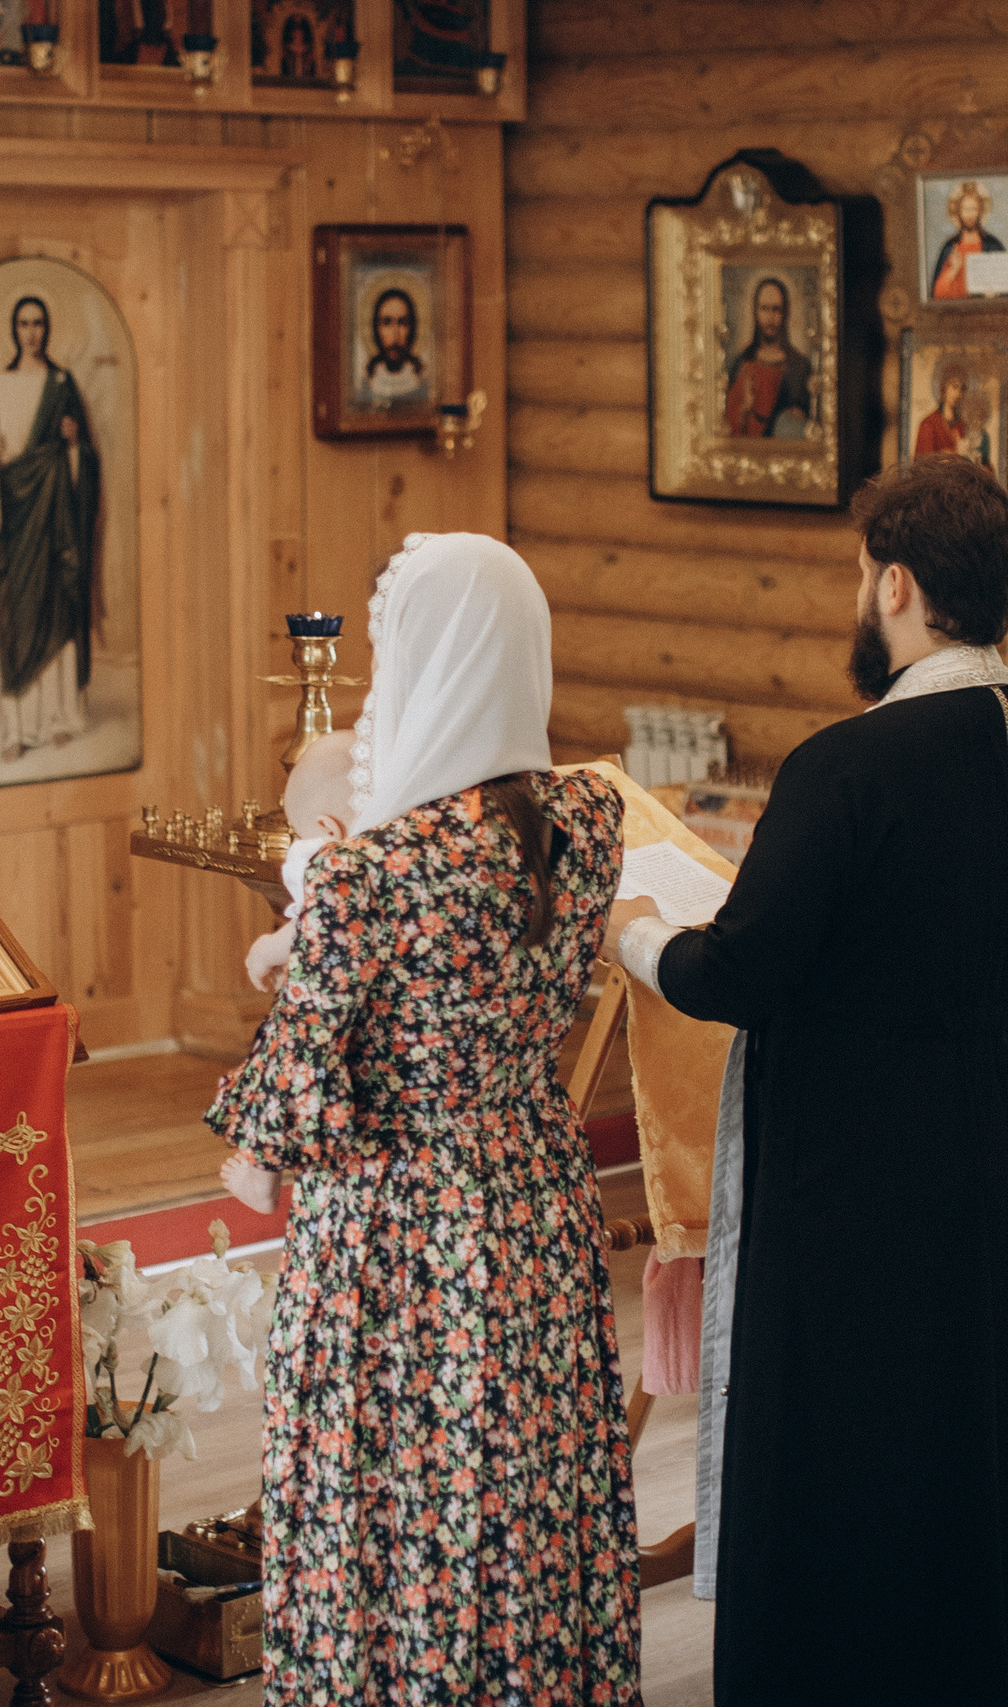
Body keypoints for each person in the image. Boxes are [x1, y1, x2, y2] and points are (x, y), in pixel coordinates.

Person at [604, 455, 1008, 1705]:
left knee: (863, 1440)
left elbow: (738, 973)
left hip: (866, 1159)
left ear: (894, 585)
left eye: (862, 575)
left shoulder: (844, 766)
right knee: (996, 1425)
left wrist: (633, 932)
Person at [208, 533, 641, 1705]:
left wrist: (305, 916)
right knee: (526, 1474)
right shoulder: (588, 819)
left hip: (397, 1226)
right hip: (535, 1189)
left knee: (394, 1482)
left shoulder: (368, 873)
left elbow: (289, 1101)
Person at [0, 295, 101, 761]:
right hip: (16, 524)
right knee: (15, 615)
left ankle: (59, 718)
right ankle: (17, 728)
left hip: (55, 521)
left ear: (48, 328)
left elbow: (88, 463)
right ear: (14, 329)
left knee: (56, 606)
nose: (31, 332)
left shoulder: (62, 384)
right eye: (23, 323)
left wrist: (74, 445)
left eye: (38, 323)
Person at [241, 729, 354, 994]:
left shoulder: (334, 859)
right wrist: (273, 950)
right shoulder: (323, 859)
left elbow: (314, 922)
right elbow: (316, 919)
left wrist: (266, 951)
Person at [722, 276, 813, 438]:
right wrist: (745, 409)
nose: (770, 317)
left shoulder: (799, 366)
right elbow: (728, 424)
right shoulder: (742, 362)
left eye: (776, 309)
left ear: (785, 313)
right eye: (764, 308)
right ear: (755, 312)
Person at [932, 181, 1008, 300]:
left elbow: (1007, 288)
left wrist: (995, 294)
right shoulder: (950, 247)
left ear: (980, 211)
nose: (969, 214)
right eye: (965, 209)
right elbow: (937, 294)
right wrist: (953, 270)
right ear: (958, 212)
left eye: (973, 209)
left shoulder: (993, 245)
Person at [915, 363, 988, 465]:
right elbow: (923, 464)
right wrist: (954, 454)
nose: (958, 394)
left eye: (963, 389)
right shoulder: (928, 424)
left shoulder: (963, 425)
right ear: (944, 388)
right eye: (954, 387)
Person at [363, 288, 427, 404]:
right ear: (376, 328)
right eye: (386, 322)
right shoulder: (366, 382)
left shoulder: (423, 381)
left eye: (403, 323)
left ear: (412, 328)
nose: (395, 335)